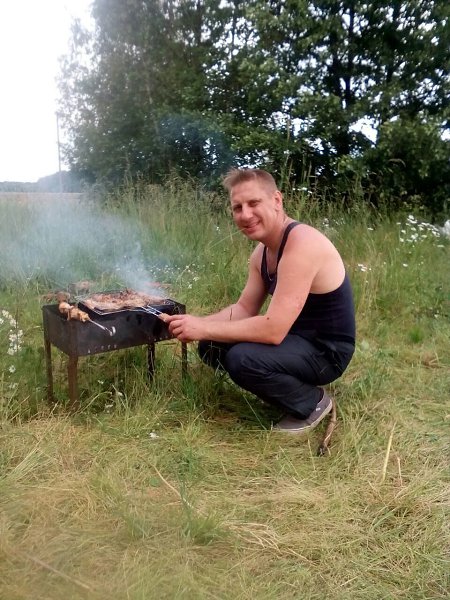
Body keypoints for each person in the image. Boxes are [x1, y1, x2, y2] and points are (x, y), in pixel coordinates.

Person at [163, 168, 355, 433]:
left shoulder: (302, 245)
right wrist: (194, 323)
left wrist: (203, 327)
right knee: (212, 345)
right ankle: (286, 385)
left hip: (326, 352)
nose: (245, 215)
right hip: (295, 339)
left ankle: (313, 402)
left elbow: (273, 330)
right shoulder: (262, 253)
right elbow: (244, 308)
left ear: (276, 200)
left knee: (242, 359)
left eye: (254, 203)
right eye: (237, 207)